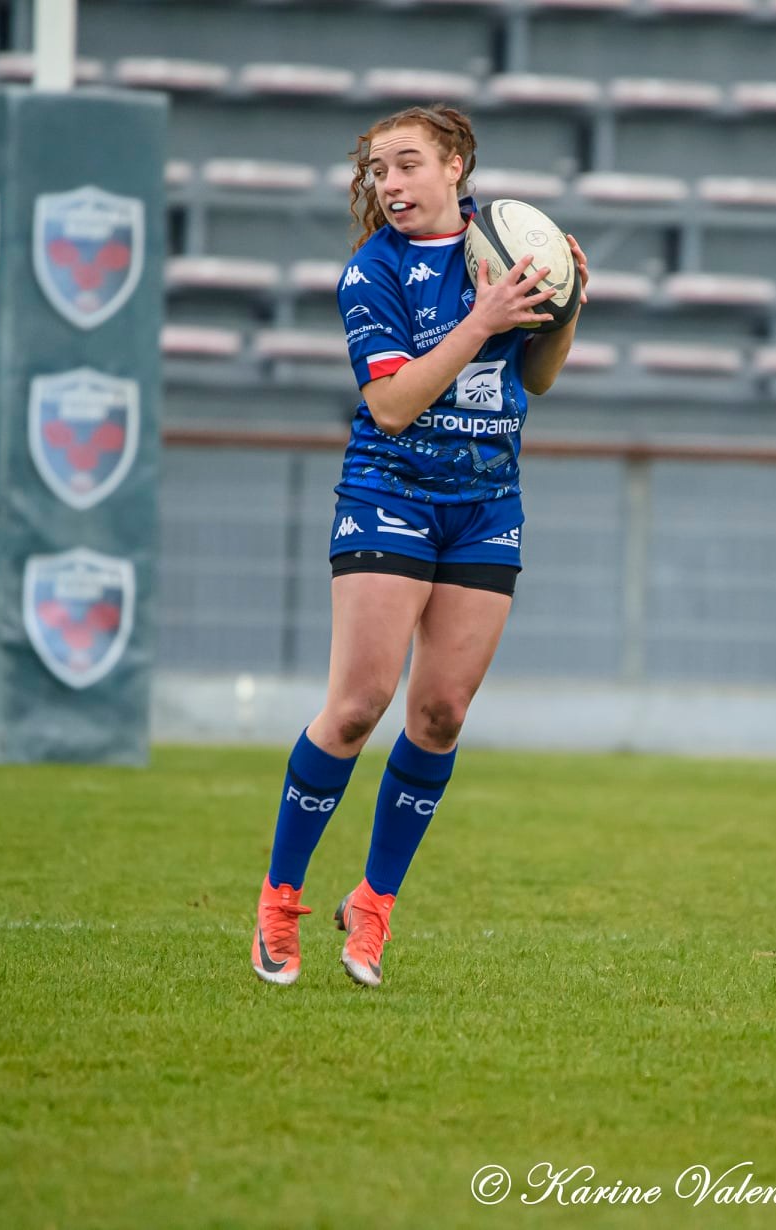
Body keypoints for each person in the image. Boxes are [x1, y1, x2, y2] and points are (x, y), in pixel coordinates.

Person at [251, 104, 590, 988]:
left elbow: (537, 378)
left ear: (455, 166)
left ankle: (373, 905)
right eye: (378, 170)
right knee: (357, 707)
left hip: (486, 503)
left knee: (439, 715)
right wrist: (484, 319)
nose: (390, 184)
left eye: (406, 164)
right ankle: (280, 900)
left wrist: (562, 309)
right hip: (390, 493)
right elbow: (393, 405)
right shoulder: (371, 273)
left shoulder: (504, 247)